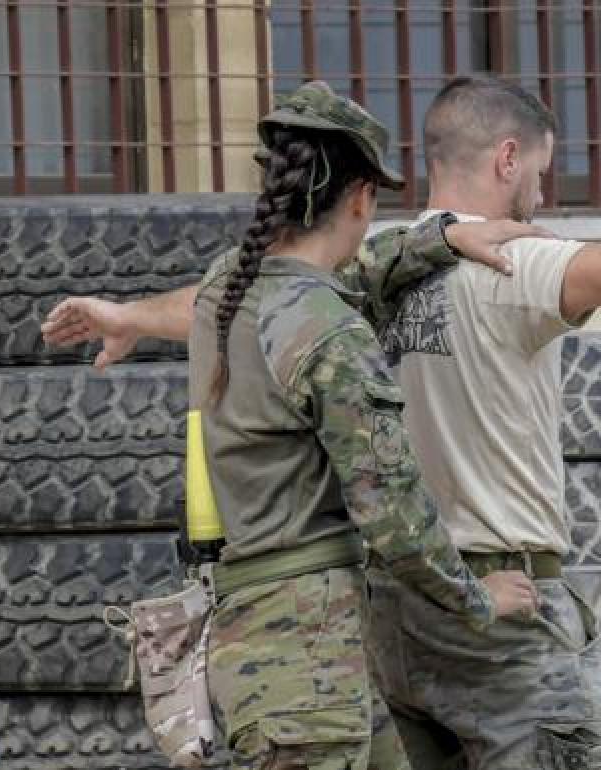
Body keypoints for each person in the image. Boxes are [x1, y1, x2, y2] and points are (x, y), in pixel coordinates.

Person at [44, 76, 601, 770]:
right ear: (508, 158)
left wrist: (130, 314)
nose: (542, 190)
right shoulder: (494, 265)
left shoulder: (323, 275)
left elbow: (226, 297)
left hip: (379, 616)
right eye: (540, 170)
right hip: (480, 607)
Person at [181, 81, 537, 770]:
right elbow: (395, 517)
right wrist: (477, 599)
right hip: (308, 669)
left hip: (269, 647)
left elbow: (352, 273)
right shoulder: (330, 336)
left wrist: (442, 236)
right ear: (361, 199)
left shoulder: (224, 288)